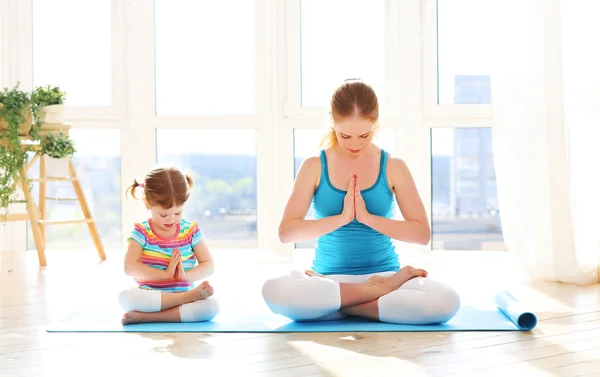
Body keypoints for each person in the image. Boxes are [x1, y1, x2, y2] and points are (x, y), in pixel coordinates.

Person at [262, 79, 460, 324]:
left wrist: (367, 218)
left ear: (375, 124)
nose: (355, 144)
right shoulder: (313, 166)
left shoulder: (393, 167)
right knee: (273, 291)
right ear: (332, 123)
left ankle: (343, 308)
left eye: (364, 135)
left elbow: (420, 234)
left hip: (386, 275)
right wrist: (342, 218)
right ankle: (371, 296)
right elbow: (287, 233)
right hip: (329, 283)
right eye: (345, 135)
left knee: (446, 301)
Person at [117, 166, 219, 325]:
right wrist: (165, 275)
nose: (171, 220)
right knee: (125, 297)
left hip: (182, 297)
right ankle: (181, 301)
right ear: (148, 203)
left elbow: (208, 265)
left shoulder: (190, 230)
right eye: (163, 215)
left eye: (178, 213)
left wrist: (186, 277)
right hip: (152, 296)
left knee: (212, 307)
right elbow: (129, 267)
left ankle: (147, 318)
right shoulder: (142, 231)